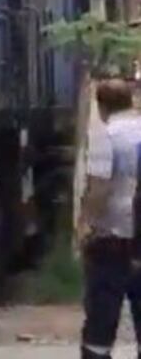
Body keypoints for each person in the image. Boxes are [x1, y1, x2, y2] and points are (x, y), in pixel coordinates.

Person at [78, 79, 141, 359]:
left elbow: (99, 188)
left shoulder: (105, 136)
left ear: (101, 107)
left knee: (102, 315)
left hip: (112, 237)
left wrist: (87, 225)